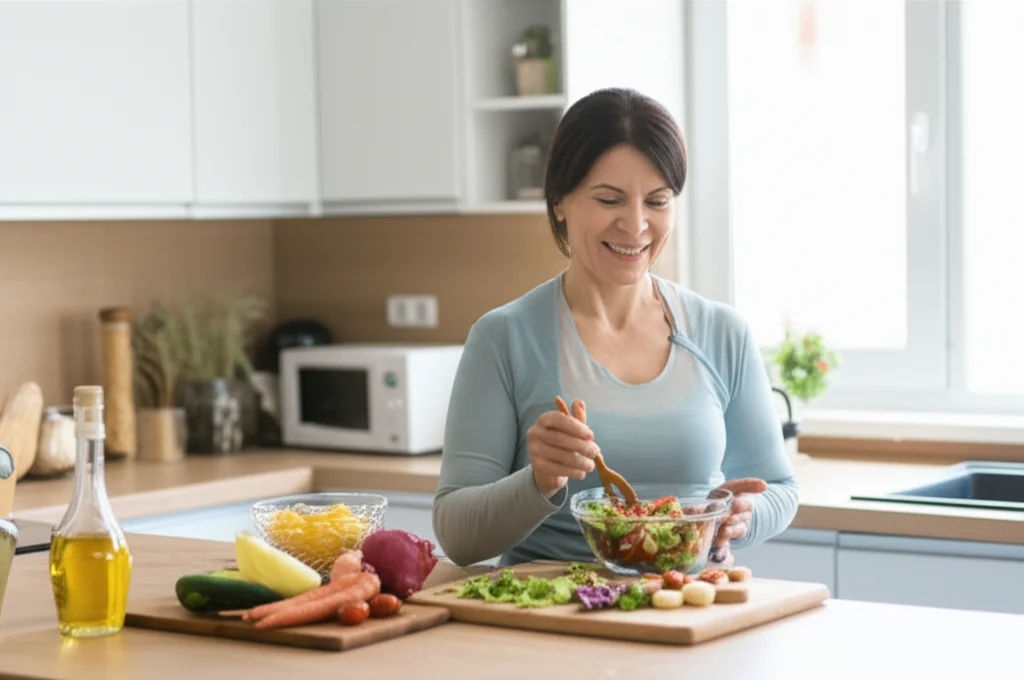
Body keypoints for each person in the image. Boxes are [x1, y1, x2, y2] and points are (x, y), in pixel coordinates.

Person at [432, 87, 798, 568]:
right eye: (609, 199)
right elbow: (457, 535)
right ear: (559, 200)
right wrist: (537, 481)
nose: (636, 225)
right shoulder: (504, 339)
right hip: (555, 619)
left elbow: (780, 490)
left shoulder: (722, 332)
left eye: (657, 201)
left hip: (690, 613)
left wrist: (740, 516)